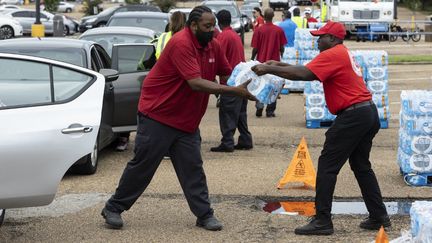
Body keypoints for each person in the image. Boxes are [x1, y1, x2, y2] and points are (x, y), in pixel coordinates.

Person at [101, 6, 257, 231]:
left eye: (213, 25)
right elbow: (195, 83)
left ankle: (204, 215)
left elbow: (227, 73)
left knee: (193, 169)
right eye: (207, 26)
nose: (213, 30)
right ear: (193, 26)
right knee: (142, 166)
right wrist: (233, 92)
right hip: (158, 116)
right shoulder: (181, 43)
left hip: (186, 121)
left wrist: (255, 73)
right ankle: (113, 208)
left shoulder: (213, 45)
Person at [251, 21, 390, 235]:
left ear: (333, 39)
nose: (317, 40)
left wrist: (269, 68)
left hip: (353, 115)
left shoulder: (333, 54)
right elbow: (307, 69)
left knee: (327, 166)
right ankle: (379, 216)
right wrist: (277, 65)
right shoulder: (340, 52)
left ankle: (322, 221)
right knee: (361, 165)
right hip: (366, 113)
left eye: (321, 36)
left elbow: (304, 74)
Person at [210, 10, 253, 153]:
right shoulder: (235, 35)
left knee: (227, 112)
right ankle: (245, 139)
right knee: (240, 113)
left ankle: (227, 142)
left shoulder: (223, 37)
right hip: (241, 80)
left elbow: (218, 59)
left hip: (230, 82)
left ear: (218, 21)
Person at [251, 8, 287, 118]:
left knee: (260, 85)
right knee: (273, 86)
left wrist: (252, 58)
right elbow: (282, 47)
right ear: (272, 17)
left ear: (264, 17)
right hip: (274, 63)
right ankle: (270, 111)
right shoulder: (278, 30)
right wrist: (281, 54)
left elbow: (255, 48)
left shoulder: (259, 30)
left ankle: (259, 106)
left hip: (261, 62)